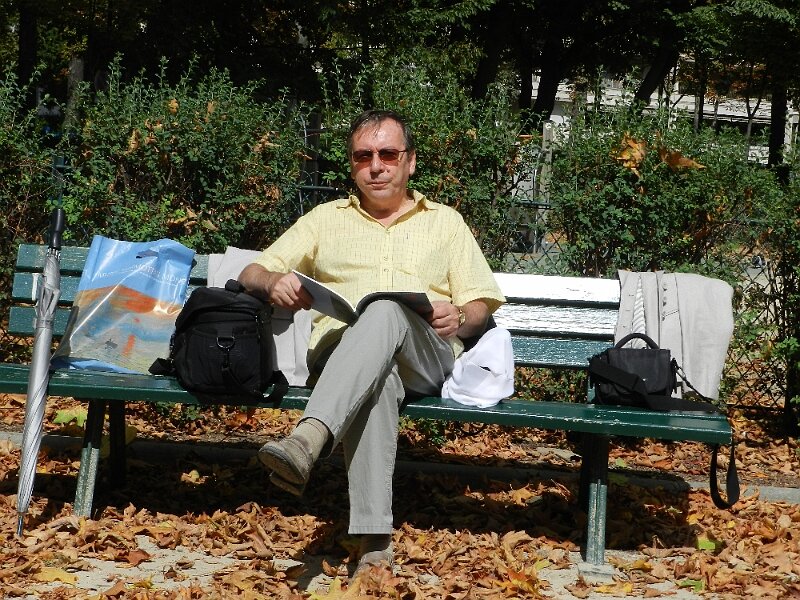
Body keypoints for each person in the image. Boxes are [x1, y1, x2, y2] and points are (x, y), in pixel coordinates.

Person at [238, 109, 505, 574]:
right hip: (340, 357)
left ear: (410, 162)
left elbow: (482, 301)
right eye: (363, 156)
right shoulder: (324, 220)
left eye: (388, 154)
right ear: (352, 165)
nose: (376, 166)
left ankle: (309, 437)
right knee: (377, 385)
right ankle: (375, 543)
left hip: (424, 356)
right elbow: (252, 271)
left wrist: (461, 315)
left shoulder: (446, 223)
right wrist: (273, 282)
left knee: (384, 309)